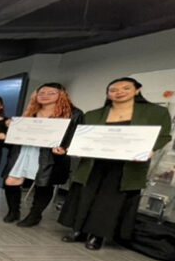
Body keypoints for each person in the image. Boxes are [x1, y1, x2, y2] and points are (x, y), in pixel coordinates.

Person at [58, 77, 172, 250]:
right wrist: (71, 148)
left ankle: (97, 235)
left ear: (137, 90)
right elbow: (82, 136)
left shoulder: (155, 112)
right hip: (93, 162)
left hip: (126, 165)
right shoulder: (94, 114)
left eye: (125, 88)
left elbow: (163, 135)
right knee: (85, 194)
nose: (119, 92)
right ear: (108, 94)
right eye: (113, 90)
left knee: (110, 200)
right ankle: (78, 230)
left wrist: (151, 149)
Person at [1, 82, 83, 226]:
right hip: (25, 150)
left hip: (49, 155)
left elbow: (77, 136)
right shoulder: (31, 111)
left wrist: (65, 148)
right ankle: (13, 211)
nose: (45, 96)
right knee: (11, 181)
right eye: (41, 93)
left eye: (51, 93)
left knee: (43, 183)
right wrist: (12, 127)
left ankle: (35, 215)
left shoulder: (74, 113)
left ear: (62, 95)